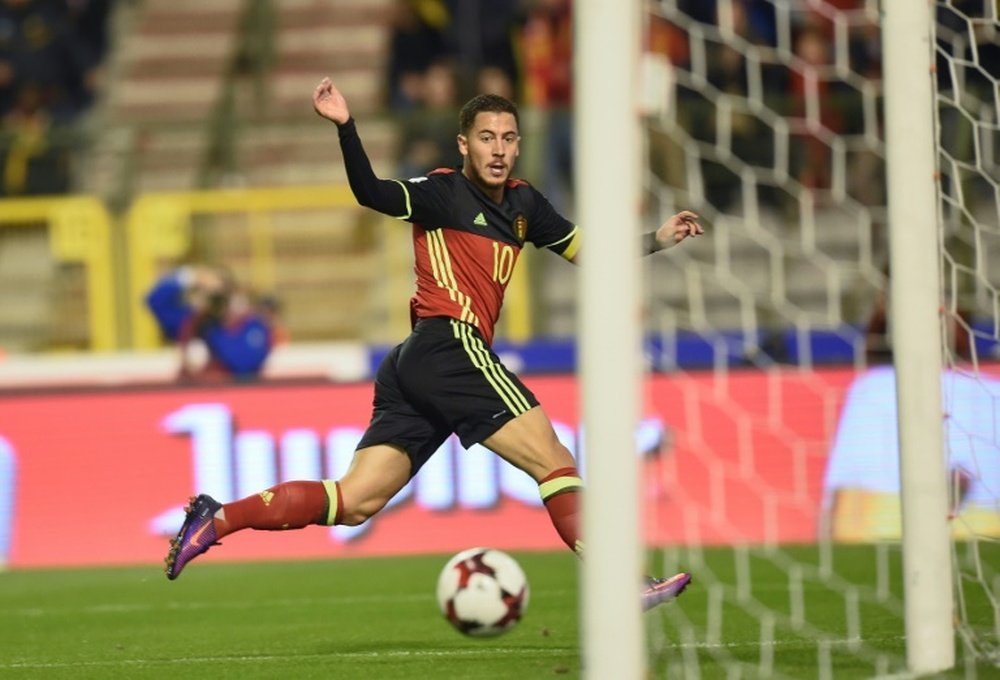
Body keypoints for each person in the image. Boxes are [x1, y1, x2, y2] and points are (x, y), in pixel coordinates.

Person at [164, 77, 704, 612]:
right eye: (487, 137)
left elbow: (592, 253)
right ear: (464, 144)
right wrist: (347, 127)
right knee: (555, 461)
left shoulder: (525, 205)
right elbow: (370, 192)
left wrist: (656, 240)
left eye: (509, 138)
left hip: (416, 362)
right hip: (450, 343)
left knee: (355, 502)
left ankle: (218, 517)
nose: (499, 149)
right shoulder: (441, 192)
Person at [145, 265, 276, 382]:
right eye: (208, 295)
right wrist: (191, 277)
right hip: (199, 395)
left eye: (220, 294)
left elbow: (243, 365)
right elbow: (155, 301)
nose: (215, 301)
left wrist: (215, 330)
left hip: (238, 395)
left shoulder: (253, 324)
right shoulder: (194, 321)